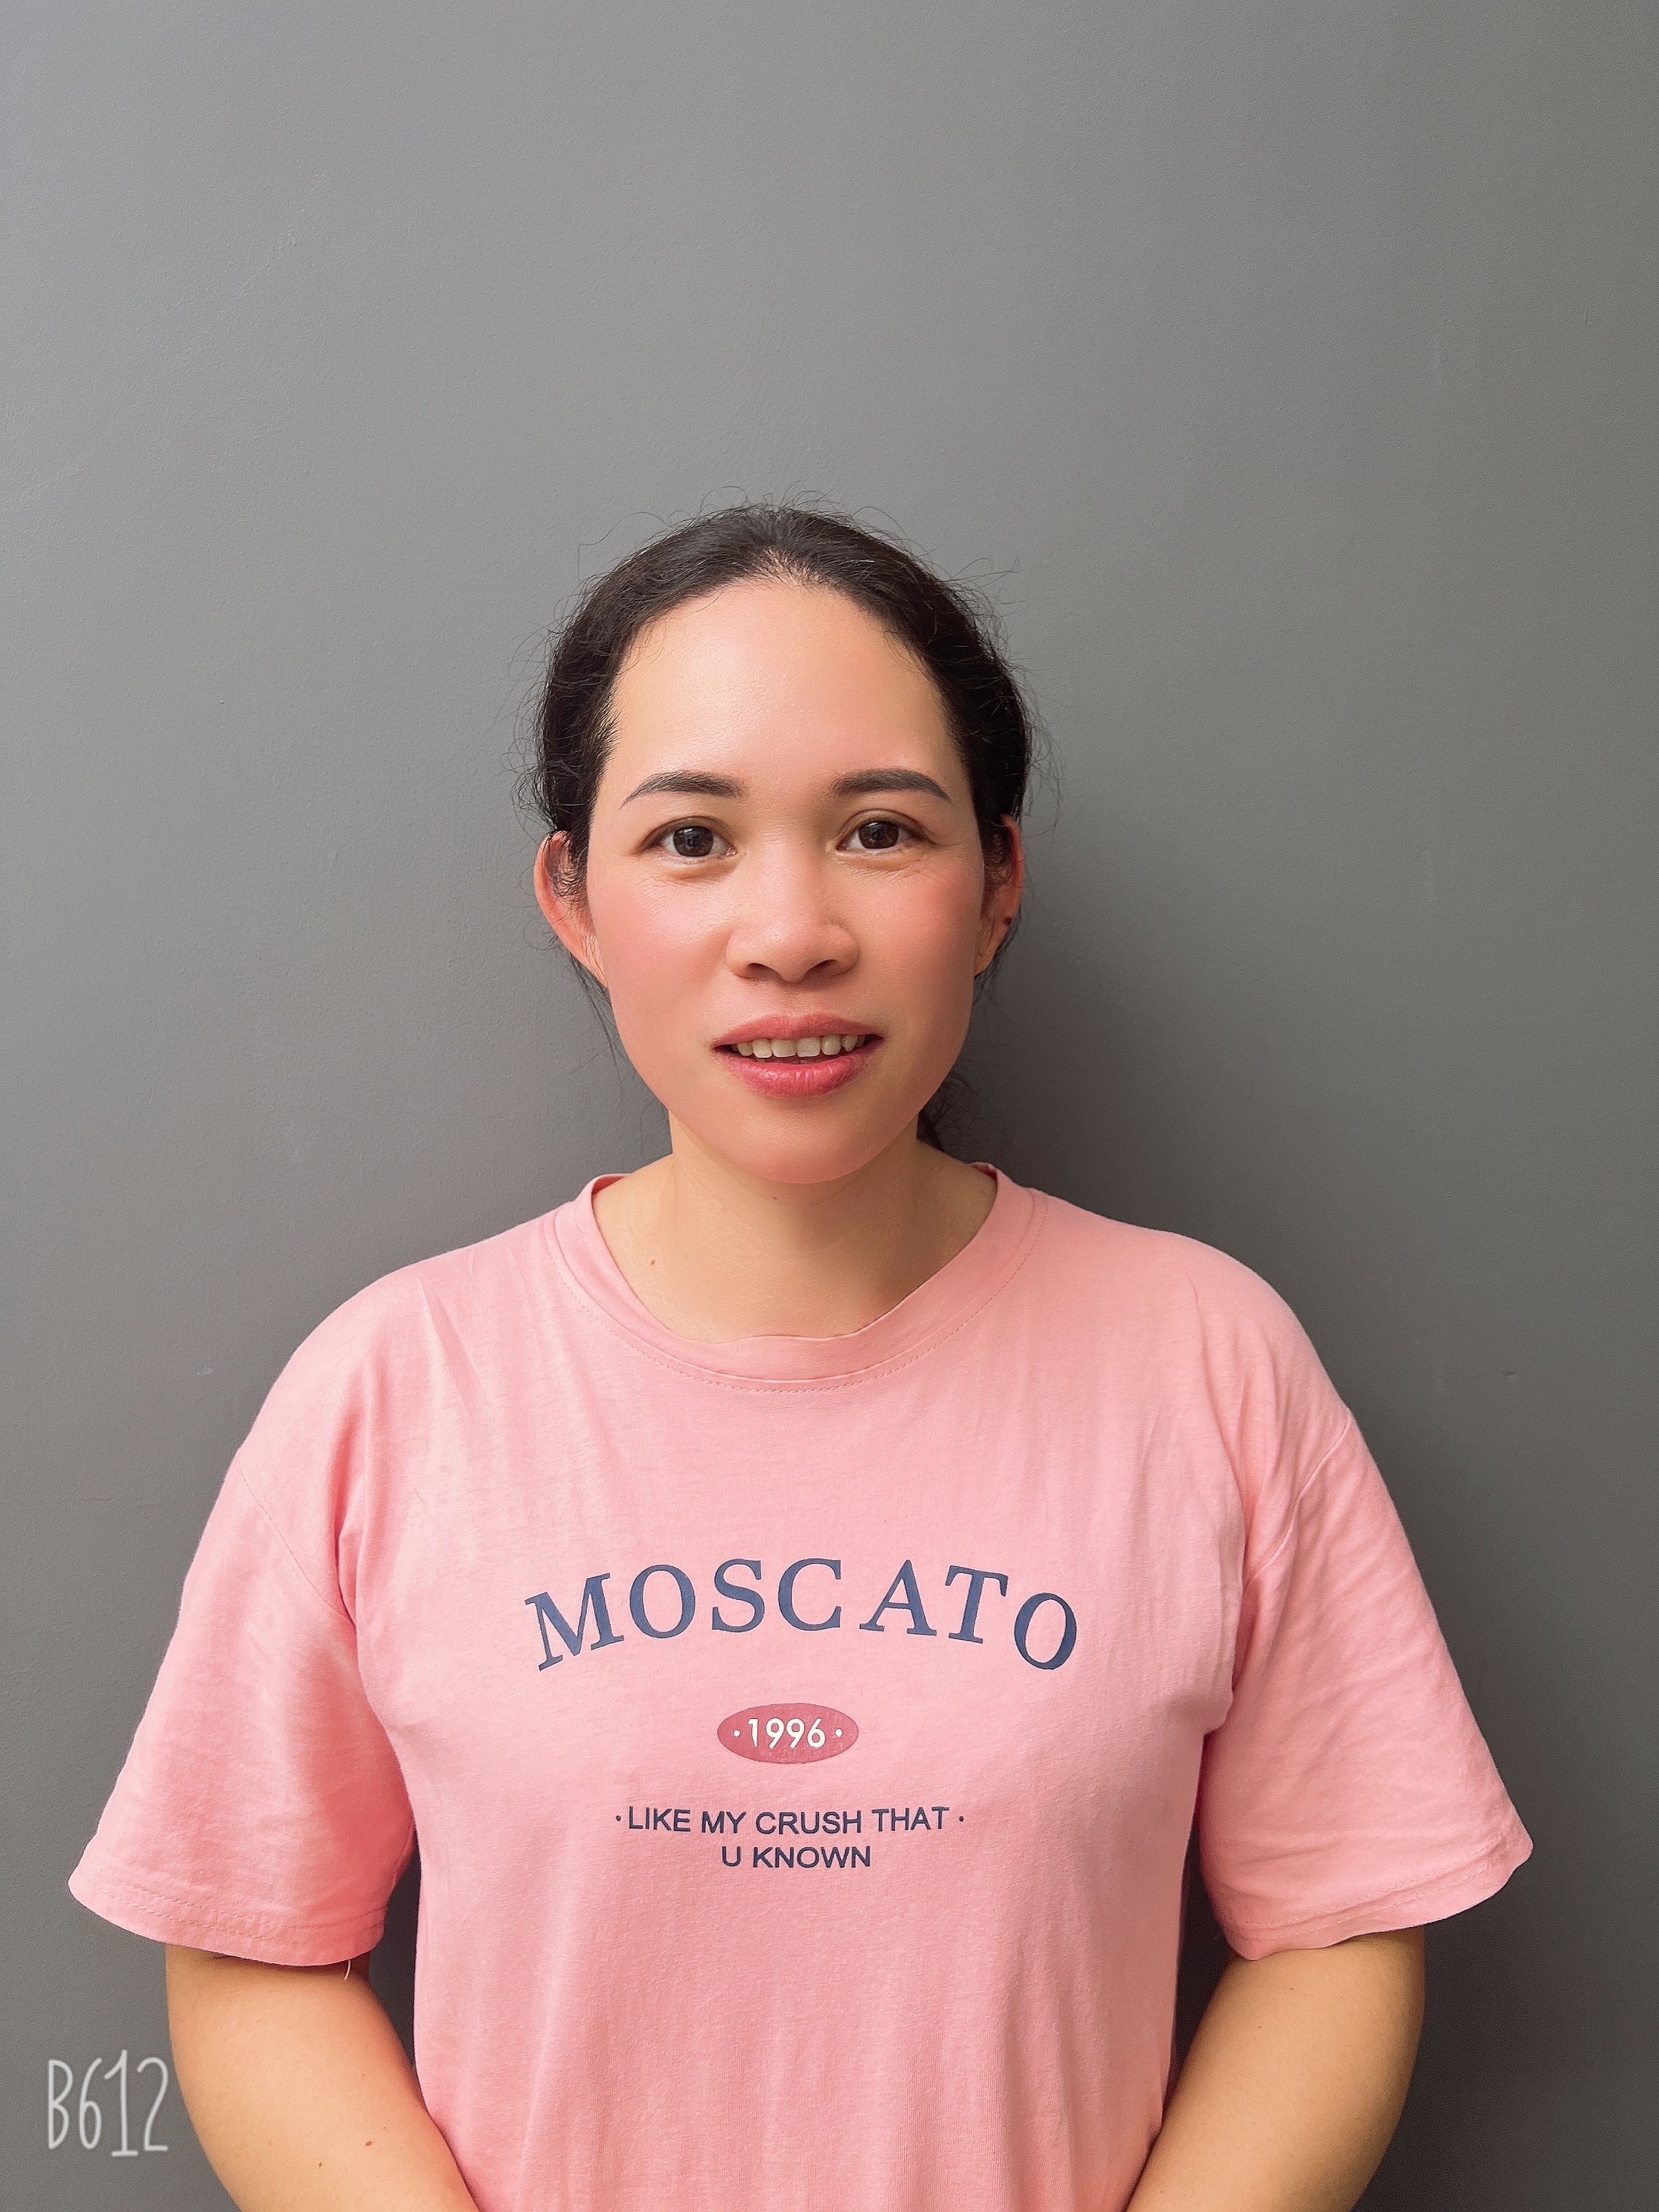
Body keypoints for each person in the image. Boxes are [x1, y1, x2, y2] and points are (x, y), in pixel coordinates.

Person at [69, 504, 1530, 2212]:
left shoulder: (1209, 1361)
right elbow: (250, 1941)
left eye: (880, 832)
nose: (790, 931)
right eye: (691, 838)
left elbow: (1338, 1925)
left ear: (997, 886)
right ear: (575, 899)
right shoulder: (392, 1390)